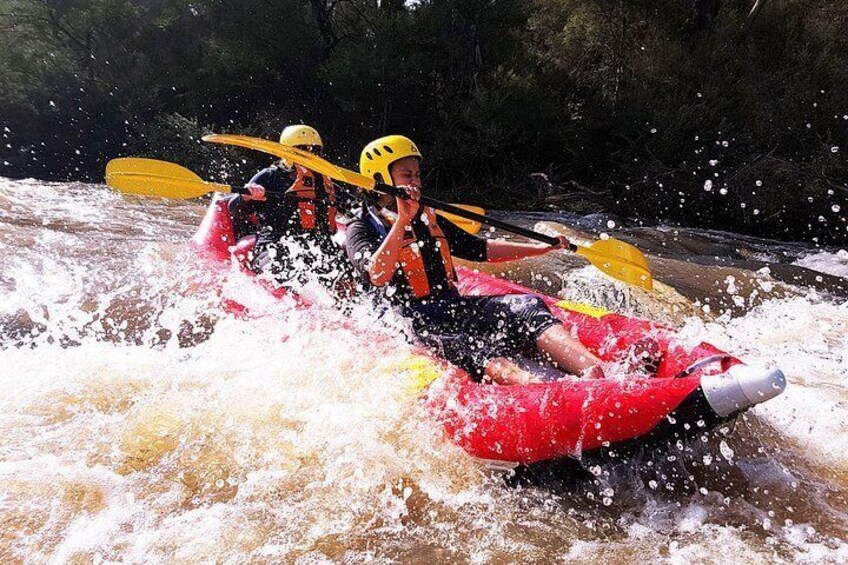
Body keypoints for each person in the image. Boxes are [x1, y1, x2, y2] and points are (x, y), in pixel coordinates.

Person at [345, 135, 605, 385]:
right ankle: (541, 388)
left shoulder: (427, 215)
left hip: (449, 306)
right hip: (408, 321)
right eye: (407, 175)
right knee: (470, 342)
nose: (417, 182)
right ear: (379, 178)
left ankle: (594, 371)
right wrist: (402, 220)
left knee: (527, 306)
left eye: (417, 174)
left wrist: (539, 249)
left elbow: (480, 249)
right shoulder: (361, 226)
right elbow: (376, 274)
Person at [227, 124, 352, 293]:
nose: (309, 154)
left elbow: (353, 209)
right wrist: (248, 196)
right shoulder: (270, 176)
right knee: (286, 271)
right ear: (287, 152)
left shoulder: (326, 181)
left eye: (314, 150)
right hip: (276, 245)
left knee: (351, 277)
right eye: (302, 149)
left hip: (320, 248)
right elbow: (235, 209)